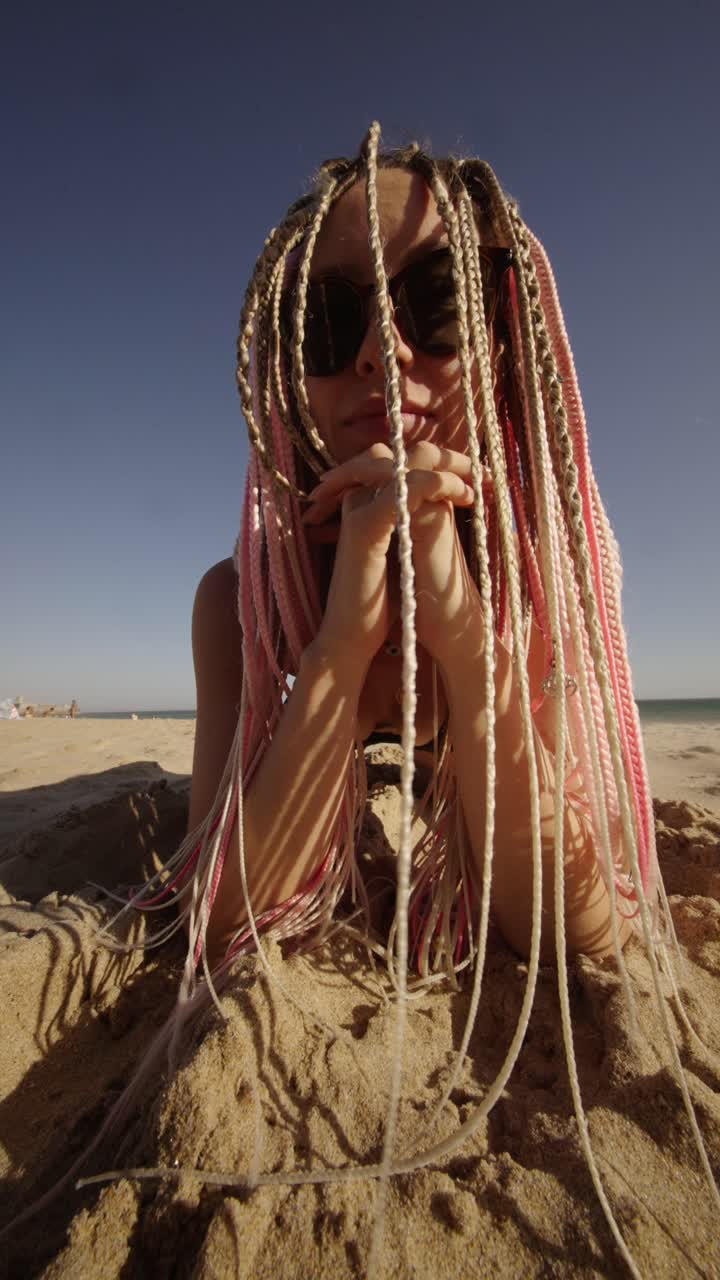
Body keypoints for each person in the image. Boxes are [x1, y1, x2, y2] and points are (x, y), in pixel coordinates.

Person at [170, 121, 657, 984]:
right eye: (328, 318)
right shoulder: (247, 599)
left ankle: (430, 753)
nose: (379, 354)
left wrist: (469, 644)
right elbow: (215, 921)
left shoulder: (553, 580)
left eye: (436, 301)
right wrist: (341, 651)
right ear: (289, 368)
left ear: (501, 332)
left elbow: (584, 929)